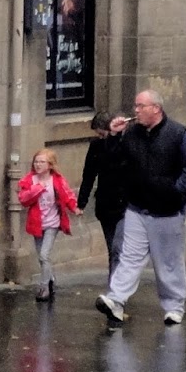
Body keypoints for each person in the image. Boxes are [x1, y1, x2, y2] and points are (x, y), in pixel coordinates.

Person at [96, 90, 186, 327]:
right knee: (129, 257)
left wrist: (176, 191)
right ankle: (116, 299)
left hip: (167, 210)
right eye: (135, 106)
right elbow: (113, 161)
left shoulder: (178, 134)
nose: (136, 111)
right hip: (137, 207)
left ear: (156, 108)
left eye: (140, 106)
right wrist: (113, 135)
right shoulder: (132, 133)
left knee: (168, 261)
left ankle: (174, 306)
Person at [16, 148, 77, 302]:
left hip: (53, 223)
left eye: (42, 162)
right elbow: (23, 200)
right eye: (36, 161)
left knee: (44, 255)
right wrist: (37, 189)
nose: (38, 165)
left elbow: (67, 194)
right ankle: (50, 279)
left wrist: (75, 207)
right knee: (41, 257)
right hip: (37, 224)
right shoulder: (30, 180)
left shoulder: (56, 180)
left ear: (50, 165)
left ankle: (44, 287)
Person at [77, 111, 127, 278]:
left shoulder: (126, 144)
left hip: (126, 203)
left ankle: (117, 290)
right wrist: (81, 202)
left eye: (101, 132)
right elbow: (89, 175)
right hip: (106, 204)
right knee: (112, 247)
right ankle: (116, 285)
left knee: (117, 248)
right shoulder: (96, 147)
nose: (99, 136)